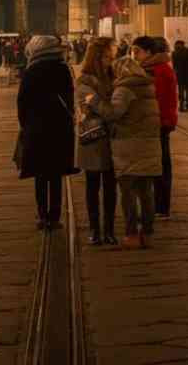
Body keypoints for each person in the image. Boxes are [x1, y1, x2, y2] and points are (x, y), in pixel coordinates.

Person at [88, 56, 160, 249]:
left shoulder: (124, 90)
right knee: (146, 193)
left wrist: (94, 101)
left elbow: (113, 113)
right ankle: (148, 234)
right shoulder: (149, 87)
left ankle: (132, 235)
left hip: (128, 147)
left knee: (128, 193)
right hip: (149, 146)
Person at [17, 34, 77, 231]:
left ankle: (42, 215)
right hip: (59, 127)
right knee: (56, 174)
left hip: (37, 129)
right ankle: (55, 216)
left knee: (40, 175)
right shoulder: (62, 69)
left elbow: (22, 102)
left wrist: (26, 125)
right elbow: (69, 99)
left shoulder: (31, 70)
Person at [75, 37, 117, 246]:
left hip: (113, 138)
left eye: (112, 57)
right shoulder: (85, 82)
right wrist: (112, 109)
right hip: (93, 138)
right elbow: (97, 107)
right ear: (97, 58)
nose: (111, 61)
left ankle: (109, 229)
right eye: (107, 57)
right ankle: (94, 229)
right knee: (92, 186)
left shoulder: (115, 77)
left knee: (110, 186)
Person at [134, 36, 178, 220]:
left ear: (149, 52)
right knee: (159, 164)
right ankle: (158, 206)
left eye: (137, 51)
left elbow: (155, 98)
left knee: (158, 165)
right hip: (161, 121)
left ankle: (160, 206)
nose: (135, 55)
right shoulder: (157, 67)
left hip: (158, 122)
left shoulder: (156, 70)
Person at [172, 40, 188, 112]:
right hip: (187, 74)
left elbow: (174, 65)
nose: (176, 46)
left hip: (182, 75)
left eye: (177, 45)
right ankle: (186, 105)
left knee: (183, 91)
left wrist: (175, 71)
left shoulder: (176, 52)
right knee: (187, 91)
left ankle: (183, 105)